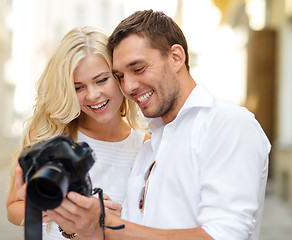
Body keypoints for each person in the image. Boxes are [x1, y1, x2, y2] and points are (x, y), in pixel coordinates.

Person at [38, 10, 271, 240]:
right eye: (119, 76)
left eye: (138, 69)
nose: (128, 87)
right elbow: (135, 230)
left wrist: (109, 225)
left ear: (176, 57)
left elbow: (223, 235)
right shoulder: (150, 148)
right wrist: (92, 220)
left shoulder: (228, 124)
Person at [6, 26, 149, 240]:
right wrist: (54, 208)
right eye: (78, 87)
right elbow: (13, 208)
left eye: (102, 80)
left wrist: (115, 221)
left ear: (119, 77)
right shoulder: (50, 136)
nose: (93, 95)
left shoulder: (145, 147)